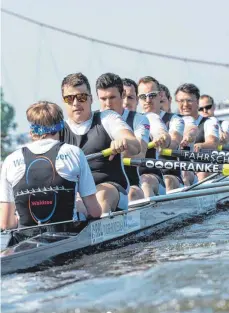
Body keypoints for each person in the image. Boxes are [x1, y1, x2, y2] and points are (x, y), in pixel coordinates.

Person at [0, 101, 101, 229]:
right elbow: (95, 212)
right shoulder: (74, 153)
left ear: (32, 132)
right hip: (67, 236)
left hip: (25, 241)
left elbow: (5, 223)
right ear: (61, 128)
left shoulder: (10, 160)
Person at [60, 73, 140, 214]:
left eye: (81, 97)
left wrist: (123, 141)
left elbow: (135, 146)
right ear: (64, 101)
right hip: (76, 194)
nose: (76, 103)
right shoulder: (59, 130)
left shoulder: (108, 118)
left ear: (90, 99)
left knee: (100, 195)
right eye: (69, 98)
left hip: (111, 189)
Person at [96, 73, 149, 201]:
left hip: (131, 185)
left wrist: (123, 146)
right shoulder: (93, 120)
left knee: (133, 193)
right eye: (103, 99)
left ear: (122, 96)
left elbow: (140, 154)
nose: (108, 104)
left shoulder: (139, 119)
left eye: (112, 97)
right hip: (98, 187)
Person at [138, 76, 184, 193]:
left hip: (170, 174)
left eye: (152, 95)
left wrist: (164, 140)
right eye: (143, 96)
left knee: (167, 180)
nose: (148, 100)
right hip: (142, 177)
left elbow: (173, 142)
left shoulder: (175, 119)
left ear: (160, 96)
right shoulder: (136, 120)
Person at [175, 84, 219, 181]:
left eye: (189, 100)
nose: (185, 104)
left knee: (201, 174)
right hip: (180, 170)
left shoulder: (209, 122)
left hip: (203, 169)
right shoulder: (173, 121)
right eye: (181, 101)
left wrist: (200, 145)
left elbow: (213, 143)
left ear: (198, 102)